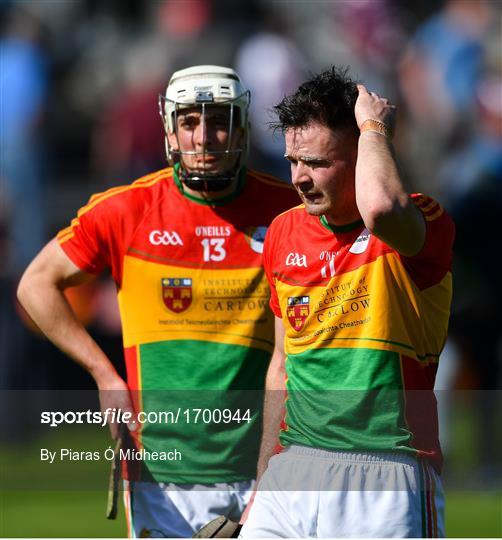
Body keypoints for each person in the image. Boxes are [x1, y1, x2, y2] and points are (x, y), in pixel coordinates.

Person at [17, 65, 299, 538]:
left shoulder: (288, 212)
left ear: (243, 127)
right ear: (170, 129)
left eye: (219, 121)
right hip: (160, 474)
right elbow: (35, 284)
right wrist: (102, 374)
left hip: (267, 466)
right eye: (190, 122)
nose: (204, 137)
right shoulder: (126, 210)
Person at [239, 67, 455, 538]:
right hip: (293, 467)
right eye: (293, 160)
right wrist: (262, 482)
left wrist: (374, 127)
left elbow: (378, 209)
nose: (299, 177)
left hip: (388, 469)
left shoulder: (419, 223)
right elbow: (282, 363)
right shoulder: (282, 231)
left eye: (317, 163)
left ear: (361, 157)